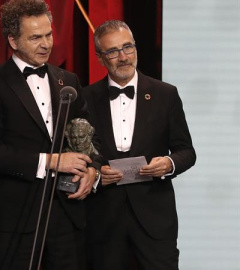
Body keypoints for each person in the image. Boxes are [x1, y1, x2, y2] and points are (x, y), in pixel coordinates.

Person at [0, 0, 101, 269]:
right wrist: (50, 161)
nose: (46, 44)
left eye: (49, 34)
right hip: (18, 219)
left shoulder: (69, 80)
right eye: (35, 37)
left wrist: (93, 171)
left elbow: (90, 136)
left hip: (68, 213)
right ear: (13, 41)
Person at [82, 20, 196, 270]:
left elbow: (187, 152)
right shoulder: (85, 98)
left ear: (136, 49)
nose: (123, 57)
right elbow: (80, 156)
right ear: (100, 58)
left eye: (128, 47)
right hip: (104, 219)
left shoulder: (166, 94)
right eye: (112, 51)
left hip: (155, 218)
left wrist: (168, 163)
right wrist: (98, 175)